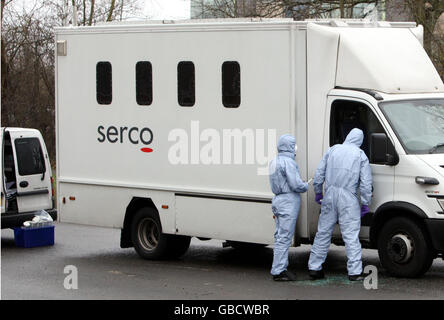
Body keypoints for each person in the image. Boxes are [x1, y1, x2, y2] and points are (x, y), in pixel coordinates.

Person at [308, 128, 372, 281]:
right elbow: (365, 182)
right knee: (350, 235)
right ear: (360, 141)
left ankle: (314, 268)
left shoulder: (333, 150)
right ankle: (354, 272)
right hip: (348, 198)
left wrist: (318, 191)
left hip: (330, 195)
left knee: (323, 232)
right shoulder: (360, 155)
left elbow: (319, 174)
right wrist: (365, 202)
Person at [269, 134, 309, 281]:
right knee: (284, 238)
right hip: (288, 201)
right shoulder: (289, 162)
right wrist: (305, 185)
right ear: (289, 146)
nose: (295, 148)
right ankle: (279, 271)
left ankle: (278, 268)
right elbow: (296, 184)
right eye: (293, 145)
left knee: (279, 236)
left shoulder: (274, 161)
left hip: (278, 200)